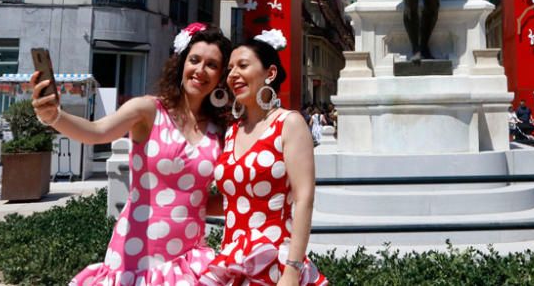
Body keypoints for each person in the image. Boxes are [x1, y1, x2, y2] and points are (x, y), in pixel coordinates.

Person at [33, 23, 232, 285]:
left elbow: (209, 197)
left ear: (220, 76)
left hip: (188, 257)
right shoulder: (148, 109)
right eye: (194, 60)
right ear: (182, 63)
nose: (200, 70)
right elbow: (96, 132)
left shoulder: (221, 129)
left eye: (212, 65)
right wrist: (54, 117)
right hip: (137, 253)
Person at [201, 37, 327, 286]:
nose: (233, 74)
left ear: (270, 73)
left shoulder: (288, 123)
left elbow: (304, 198)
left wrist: (292, 269)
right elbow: (234, 200)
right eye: (229, 69)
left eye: (243, 65)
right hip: (232, 260)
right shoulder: (231, 131)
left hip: (275, 262)